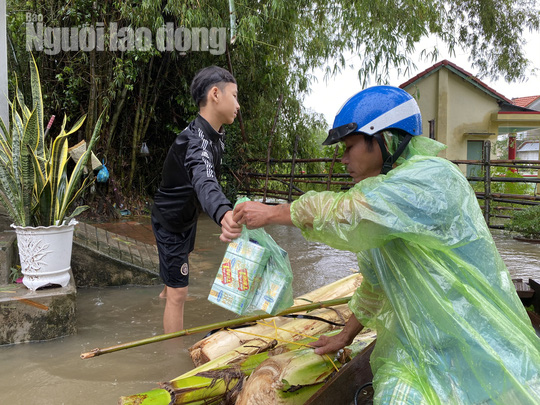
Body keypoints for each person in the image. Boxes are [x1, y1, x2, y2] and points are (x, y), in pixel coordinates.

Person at [230, 86, 540, 403]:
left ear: (385, 140)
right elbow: (377, 285)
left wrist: (275, 212)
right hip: (416, 348)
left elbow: (346, 214)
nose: (343, 158)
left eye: (350, 147)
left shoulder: (431, 178)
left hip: (474, 341)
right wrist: (345, 336)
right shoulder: (384, 207)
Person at [152, 66, 242, 333]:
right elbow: (203, 178)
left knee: (174, 283)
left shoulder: (216, 136)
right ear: (216, 94)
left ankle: (162, 296)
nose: (238, 104)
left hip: (186, 219)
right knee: (179, 295)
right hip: (171, 223)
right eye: (234, 96)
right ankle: (172, 364)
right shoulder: (195, 140)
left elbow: (205, 178)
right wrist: (224, 212)